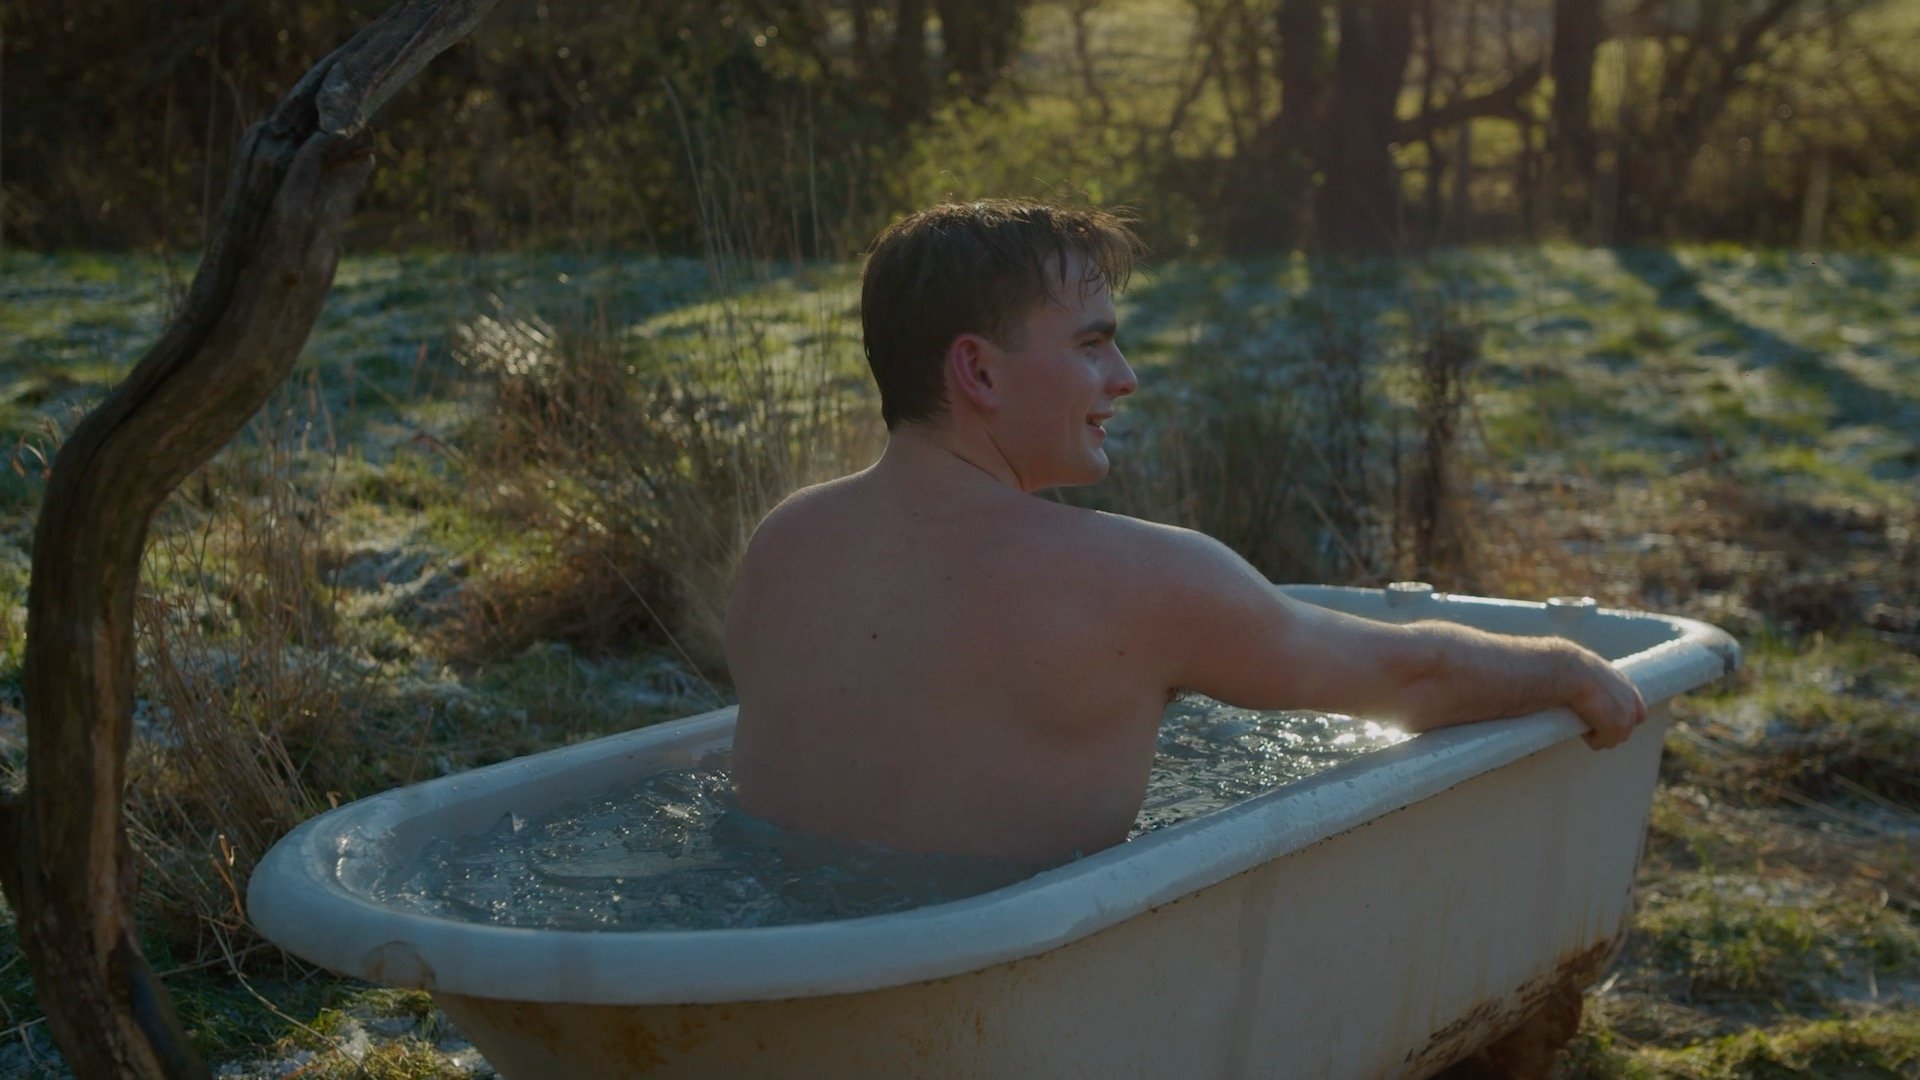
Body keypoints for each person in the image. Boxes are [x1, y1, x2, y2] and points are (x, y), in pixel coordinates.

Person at [723, 200, 1645, 866]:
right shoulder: (1134, 578)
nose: (1124, 377)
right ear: (980, 372)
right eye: (1091, 344)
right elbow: (1409, 678)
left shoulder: (785, 544)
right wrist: (1565, 666)